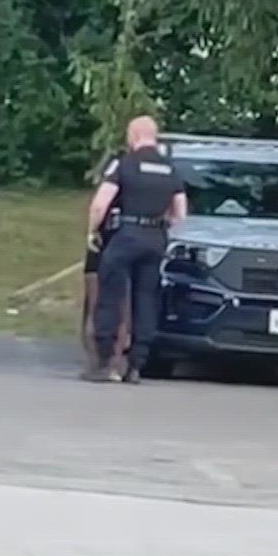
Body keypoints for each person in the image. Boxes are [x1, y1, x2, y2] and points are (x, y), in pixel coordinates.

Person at [85, 116, 186, 384]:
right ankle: (136, 365)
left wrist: (94, 231)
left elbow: (100, 204)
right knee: (146, 299)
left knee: (110, 296)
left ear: (134, 135)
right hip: (155, 238)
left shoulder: (124, 164)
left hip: (125, 235)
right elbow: (180, 212)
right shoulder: (170, 169)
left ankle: (105, 363)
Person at [78, 151, 132, 381]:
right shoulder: (138, 190)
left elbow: (98, 208)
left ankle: (94, 363)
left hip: (99, 246)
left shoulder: (109, 182)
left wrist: (92, 232)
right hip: (124, 247)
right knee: (123, 309)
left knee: (93, 307)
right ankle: (115, 364)